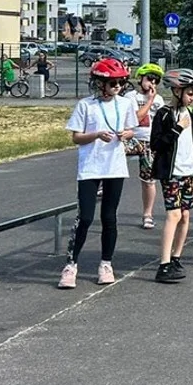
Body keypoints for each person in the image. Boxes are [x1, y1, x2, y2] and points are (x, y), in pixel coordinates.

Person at [60, 58, 138, 289]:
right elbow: (76, 137)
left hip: (114, 167)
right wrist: (95, 135)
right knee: (85, 218)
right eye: (112, 83)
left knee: (109, 218)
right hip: (91, 167)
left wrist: (127, 135)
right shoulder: (86, 105)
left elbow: (132, 129)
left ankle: (106, 264)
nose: (117, 87)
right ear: (99, 83)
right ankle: (71, 265)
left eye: (120, 83)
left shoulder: (124, 104)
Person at [149, 68, 193, 284]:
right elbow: (157, 144)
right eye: (190, 93)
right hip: (171, 173)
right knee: (174, 215)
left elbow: (192, 144)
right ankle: (163, 264)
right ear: (177, 91)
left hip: (189, 171)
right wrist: (176, 129)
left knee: (186, 215)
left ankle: (176, 256)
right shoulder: (164, 114)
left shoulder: (190, 113)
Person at [131, 63, 166, 231]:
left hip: (149, 142)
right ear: (141, 79)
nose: (152, 83)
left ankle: (147, 214)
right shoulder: (131, 97)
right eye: (149, 79)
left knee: (148, 180)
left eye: (156, 80)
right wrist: (149, 101)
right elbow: (136, 119)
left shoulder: (159, 100)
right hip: (132, 138)